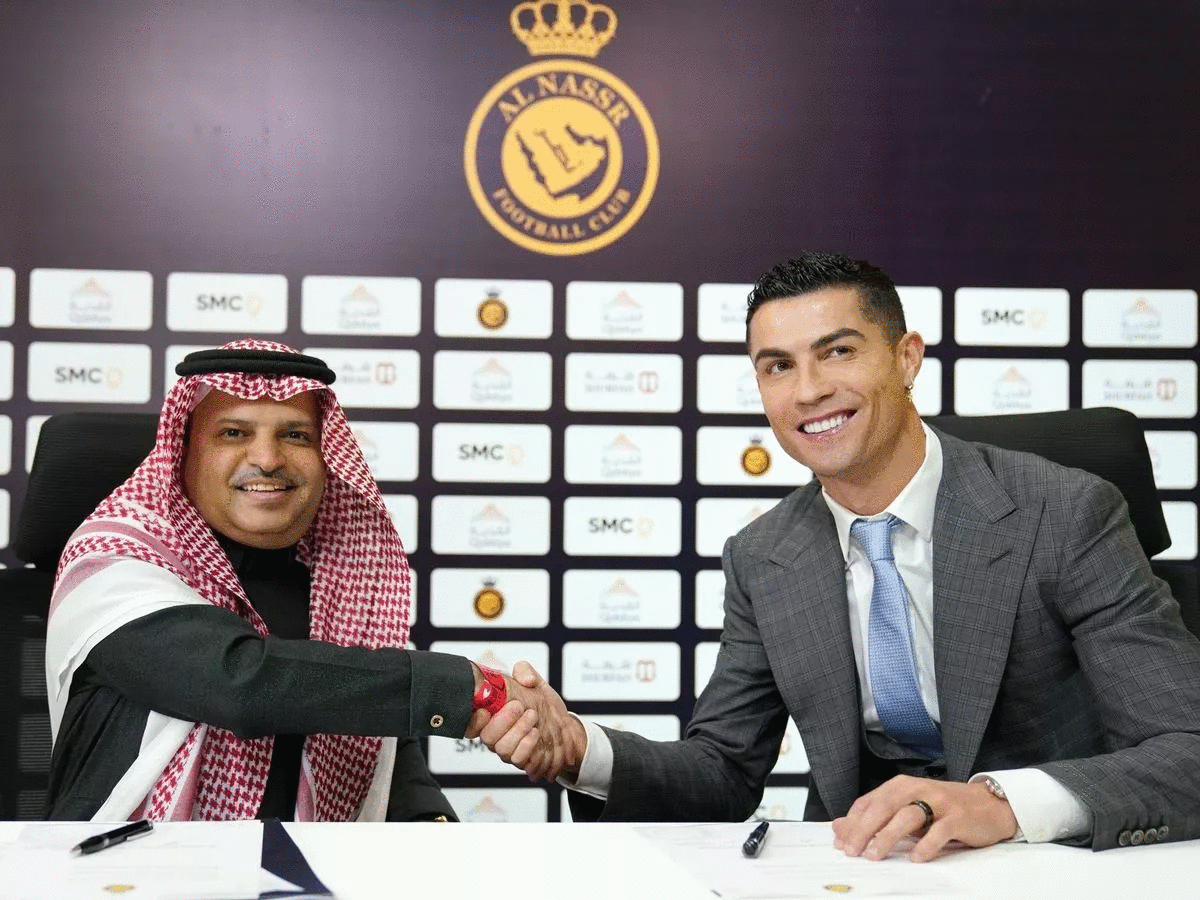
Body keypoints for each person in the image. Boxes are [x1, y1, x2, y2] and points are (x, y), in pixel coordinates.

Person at [486, 253, 1200, 860]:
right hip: (864, 868)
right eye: (778, 366)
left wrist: (1000, 803)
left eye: (838, 352)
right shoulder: (763, 555)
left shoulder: (1066, 512)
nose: (809, 390)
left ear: (907, 358)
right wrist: (580, 749)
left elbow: (1187, 749)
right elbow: (723, 770)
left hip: (1049, 864)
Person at [45, 339, 570, 822]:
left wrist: (435, 833)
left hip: (307, 870)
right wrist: (466, 688)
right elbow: (243, 683)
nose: (267, 459)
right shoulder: (113, 560)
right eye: (233, 433)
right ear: (184, 453)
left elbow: (378, 758)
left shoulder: (338, 581)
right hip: (128, 871)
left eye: (295, 435)